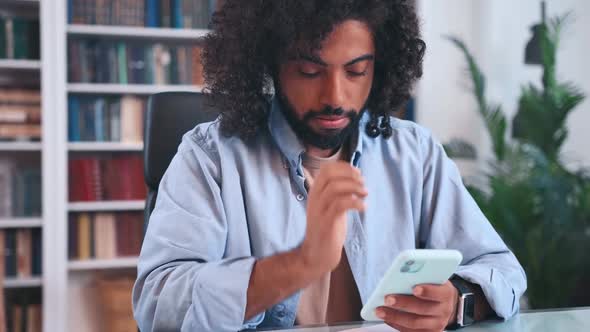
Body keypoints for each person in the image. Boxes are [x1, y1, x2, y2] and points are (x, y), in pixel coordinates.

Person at [132, 1, 527, 331]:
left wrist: (458, 301)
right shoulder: (210, 157)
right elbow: (157, 304)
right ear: (268, 62)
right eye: (309, 71)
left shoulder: (415, 153)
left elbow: (502, 270)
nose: (335, 97)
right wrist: (299, 265)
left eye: (357, 71)